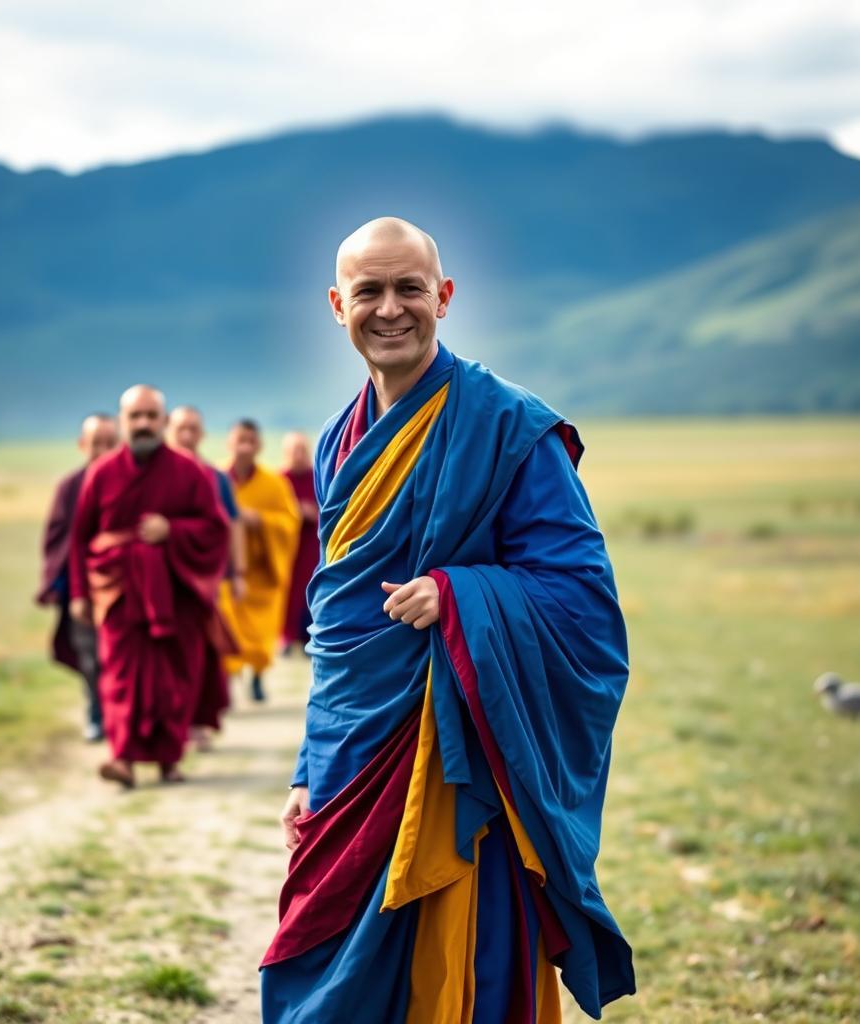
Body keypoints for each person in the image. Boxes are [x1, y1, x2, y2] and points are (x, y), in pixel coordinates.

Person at [262, 219, 635, 1023]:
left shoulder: (509, 427)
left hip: (469, 770)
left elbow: (585, 606)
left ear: (445, 297)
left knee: (461, 981)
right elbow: (337, 632)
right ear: (337, 305)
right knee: (334, 983)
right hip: (357, 762)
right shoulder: (338, 443)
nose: (390, 309)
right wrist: (309, 766)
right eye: (369, 291)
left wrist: (461, 597)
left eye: (409, 289)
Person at [69, 385, 230, 788]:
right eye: (134, 417)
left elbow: (215, 529)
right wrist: (77, 594)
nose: (142, 424)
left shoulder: (189, 471)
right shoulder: (101, 473)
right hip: (119, 592)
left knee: (174, 679)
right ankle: (122, 758)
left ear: (163, 420)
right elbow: (80, 537)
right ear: (123, 421)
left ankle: (168, 759)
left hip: (174, 595)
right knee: (121, 679)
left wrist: (171, 531)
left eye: (150, 416)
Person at [36, 413, 118, 741]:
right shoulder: (70, 487)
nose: (101, 450)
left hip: (121, 586)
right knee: (89, 655)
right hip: (79, 586)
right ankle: (96, 713)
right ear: (81, 445)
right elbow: (56, 537)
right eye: (95, 443)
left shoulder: (124, 481)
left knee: (120, 657)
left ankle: (118, 718)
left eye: (109, 443)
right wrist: (59, 585)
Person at [165, 404, 243, 746]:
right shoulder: (157, 475)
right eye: (180, 428)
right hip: (160, 579)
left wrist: (237, 571)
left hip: (203, 579)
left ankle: (197, 722)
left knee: (200, 651)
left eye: (193, 429)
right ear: (168, 430)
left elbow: (231, 524)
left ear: (202, 434)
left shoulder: (215, 477)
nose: (186, 435)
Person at [218, 419, 301, 702]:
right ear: (229, 443)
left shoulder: (275, 484)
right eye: (239, 440)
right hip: (226, 571)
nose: (244, 447)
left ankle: (257, 677)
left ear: (259, 446)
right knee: (228, 628)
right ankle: (227, 681)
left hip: (263, 571)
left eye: (250, 441)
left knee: (261, 634)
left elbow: (290, 523)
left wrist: (260, 520)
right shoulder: (216, 479)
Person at [280, 432, 319, 653]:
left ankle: (307, 633)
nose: (298, 455)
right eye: (294, 450)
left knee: (308, 589)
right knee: (286, 591)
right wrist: (294, 514)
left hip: (311, 547)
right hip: (285, 547)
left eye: (302, 450)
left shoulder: (318, 476)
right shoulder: (279, 480)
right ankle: (285, 636)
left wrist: (314, 514)